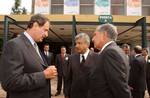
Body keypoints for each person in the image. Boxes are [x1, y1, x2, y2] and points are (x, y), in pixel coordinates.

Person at [0, 14, 57, 98]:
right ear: (35, 25)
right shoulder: (14, 45)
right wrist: (43, 75)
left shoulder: (35, 46)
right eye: (45, 30)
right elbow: (10, 82)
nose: (46, 34)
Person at [88, 23, 131, 98]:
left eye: (95, 35)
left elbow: (119, 86)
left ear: (104, 34)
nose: (93, 39)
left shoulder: (110, 52)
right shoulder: (115, 50)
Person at [66, 33, 98, 98]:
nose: (76, 46)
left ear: (87, 44)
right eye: (76, 43)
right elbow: (68, 79)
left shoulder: (97, 58)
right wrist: (67, 94)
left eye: (79, 43)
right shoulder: (72, 58)